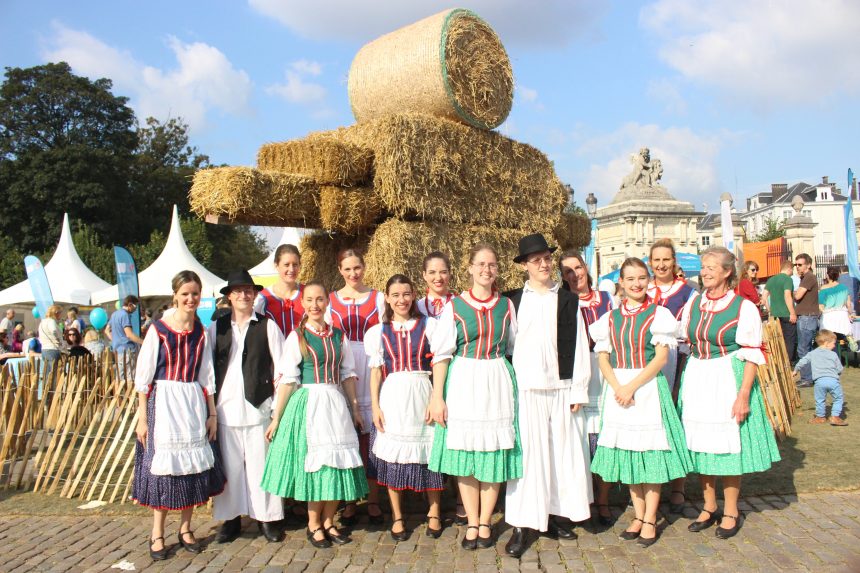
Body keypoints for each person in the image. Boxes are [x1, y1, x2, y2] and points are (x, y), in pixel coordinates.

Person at [679, 247, 781, 540]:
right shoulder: (694, 303)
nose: (705, 271)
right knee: (701, 443)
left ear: (726, 272)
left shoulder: (743, 307)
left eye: (712, 266)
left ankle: (731, 510)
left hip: (727, 376)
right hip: (698, 375)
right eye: (703, 266)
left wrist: (744, 394)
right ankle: (709, 505)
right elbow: (683, 339)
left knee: (727, 444)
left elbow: (751, 354)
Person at [589, 257, 692, 548]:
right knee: (631, 455)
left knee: (651, 453)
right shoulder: (609, 318)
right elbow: (603, 358)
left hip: (646, 389)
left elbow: (660, 358)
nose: (636, 284)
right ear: (621, 282)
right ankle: (638, 514)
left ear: (647, 280)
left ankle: (650, 518)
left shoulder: (659, 315)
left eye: (641, 278)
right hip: (619, 390)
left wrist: (631, 386)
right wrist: (617, 387)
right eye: (630, 279)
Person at [503, 235, 592, 558]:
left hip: (561, 387)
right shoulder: (512, 301)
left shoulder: (567, 299)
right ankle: (522, 523)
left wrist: (579, 387)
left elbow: (580, 344)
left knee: (561, 456)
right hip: (527, 391)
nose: (542, 264)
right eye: (535, 260)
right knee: (528, 460)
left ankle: (554, 514)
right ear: (525, 266)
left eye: (545, 258)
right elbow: (506, 347)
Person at [429, 243, 522, 551]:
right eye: (480, 264)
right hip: (464, 379)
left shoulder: (506, 306)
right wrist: (437, 398)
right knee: (467, 454)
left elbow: (513, 347)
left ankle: (485, 521)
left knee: (493, 451)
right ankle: (472, 520)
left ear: (497, 269)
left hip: (496, 377)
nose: (486, 269)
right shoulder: (454, 307)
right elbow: (441, 355)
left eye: (492, 264)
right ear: (469, 268)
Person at [261, 281, 367, 548]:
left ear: (327, 302)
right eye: (309, 300)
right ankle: (313, 524)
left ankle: (329, 521)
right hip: (309, 403)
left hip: (334, 402)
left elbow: (347, 375)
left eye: (320, 299)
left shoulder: (338, 336)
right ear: (303, 304)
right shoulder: (297, 337)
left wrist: (354, 407)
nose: (315, 305)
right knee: (316, 465)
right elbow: (287, 380)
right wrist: (277, 417)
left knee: (338, 462)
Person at [132, 271, 226, 561]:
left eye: (195, 293)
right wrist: (142, 417)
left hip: (192, 403)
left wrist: (211, 412)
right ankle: (157, 533)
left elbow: (207, 374)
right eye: (185, 293)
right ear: (175, 295)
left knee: (192, 468)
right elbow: (144, 376)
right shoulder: (158, 329)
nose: (190, 299)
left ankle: (186, 529)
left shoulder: (201, 330)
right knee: (163, 470)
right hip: (164, 404)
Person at [366, 274, 449, 541]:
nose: (401, 300)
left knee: (429, 453)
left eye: (406, 294)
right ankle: (397, 516)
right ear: (387, 298)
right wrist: (376, 407)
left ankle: (434, 511)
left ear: (413, 295)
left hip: (422, 390)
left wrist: (436, 397)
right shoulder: (379, 331)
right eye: (395, 295)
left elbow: (438, 364)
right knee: (393, 456)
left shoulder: (429, 325)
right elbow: (376, 372)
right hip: (393, 395)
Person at [210, 270, 287, 544]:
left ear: (255, 295)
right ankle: (231, 520)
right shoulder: (216, 327)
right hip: (226, 407)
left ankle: (267, 518)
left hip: (259, 405)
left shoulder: (267, 326)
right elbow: (207, 369)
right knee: (231, 469)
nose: (244, 295)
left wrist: (277, 407)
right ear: (229, 296)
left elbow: (282, 368)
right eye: (238, 291)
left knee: (261, 465)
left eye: (248, 291)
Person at [328, 248, 385, 525]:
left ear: (364, 267)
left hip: (372, 364)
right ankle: (349, 500)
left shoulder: (378, 298)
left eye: (357, 268)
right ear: (340, 270)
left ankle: (373, 498)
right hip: (343, 366)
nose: (353, 273)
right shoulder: (330, 301)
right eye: (347, 269)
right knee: (346, 434)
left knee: (373, 433)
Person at [560, 250, 616, 526]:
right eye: (568, 271)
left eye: (577, 267)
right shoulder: (563, 302)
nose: (574, 274)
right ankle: (583, 499)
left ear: (585, 268)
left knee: (603, 436)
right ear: (562, 277)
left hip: (605, 370)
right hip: (577, 373)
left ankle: (603, 500)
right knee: (579, 440)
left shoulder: (607, 299)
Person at [646, 239, 697, 513]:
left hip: (676, 358)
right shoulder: (644, 288)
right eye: (656, 260)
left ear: (674, 261)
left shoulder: (687, 293)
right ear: (650, 263)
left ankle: (678, 485)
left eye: (666, 259)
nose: (661, 265)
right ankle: (650, 479)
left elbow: (686, 327)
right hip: (645, 361)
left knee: (675, 418)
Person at [793, 330, 847, 426]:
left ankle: (820, 417)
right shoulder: (833, 354)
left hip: (819, 382)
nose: (834, 346)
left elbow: (803, 361)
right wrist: (837, 373)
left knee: (820, 400)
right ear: (826, 343)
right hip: (833, 381)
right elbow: (839, 368)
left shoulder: (812, 353)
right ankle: (835, 416)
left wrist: (795, 370)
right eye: (833, 343)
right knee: (838, 398)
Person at [255, 244, 305, 338]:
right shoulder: (263, 297)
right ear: (276, 265)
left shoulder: (307, 293)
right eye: (286, 265)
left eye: (295, 265)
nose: (291, 269)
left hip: (304, 352)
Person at [794, 254, 820, 387]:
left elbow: (798, 295)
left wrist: (793, 292)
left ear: (808, 265)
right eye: (796, 265)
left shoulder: (809, 277)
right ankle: (809, 377)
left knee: (803, 349)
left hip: (807, 317)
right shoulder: (806, 278)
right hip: (808, 317)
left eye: (800, 264)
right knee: (807, 349)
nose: (797, 267)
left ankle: (807, 378)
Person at [763, 260, 797, 363]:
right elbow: (787, 296)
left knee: (777, 339)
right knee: (789, 340)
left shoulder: (771, 280)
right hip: (786, 314)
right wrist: (792, 312)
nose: (793, 272)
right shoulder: (788, 280)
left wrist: (769, 310)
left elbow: (764, 297)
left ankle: (778, 361)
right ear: (789, 268)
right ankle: (788, 362)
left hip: (775, 315)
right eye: (792, 270)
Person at [107, 295, 145, 383]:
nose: (136, 309)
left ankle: (118, 397)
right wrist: (144, 342)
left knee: (119, 378)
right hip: (127, 351)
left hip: (117, 350)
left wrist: (115, 340)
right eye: (135, 306)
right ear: (130, 305)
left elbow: (107, 330)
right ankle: (129, 397)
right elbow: (129, 334)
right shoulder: (125, 315)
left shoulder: (114, 314)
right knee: (130, 377)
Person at [819, 266, 857, 352]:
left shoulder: (824, 288)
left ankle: (832, 356)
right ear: (838, 276)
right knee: (842, 334)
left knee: (828, 338)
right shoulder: (844, 288)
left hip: (829, 316)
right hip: (842, 315)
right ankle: (849, 338)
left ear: (828, 276)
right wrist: (849, 314)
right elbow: (848, 305)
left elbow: (821, 306)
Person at [417, 251, 456, 320]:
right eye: (432, 272)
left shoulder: (458, 303)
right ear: (424, 275)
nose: (438, 278)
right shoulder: (418, 307)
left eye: (443, 272)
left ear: (449, 274)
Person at [39, 304, 65, 379]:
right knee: (53, 374)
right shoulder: (51, 321)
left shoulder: (42, 322)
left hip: (44, 349)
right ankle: (52, 389)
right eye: (60, 313)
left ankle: (47, 389)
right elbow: (53, 330)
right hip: (53, 349)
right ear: (56, 313)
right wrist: (58, 340)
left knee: (47, 374)